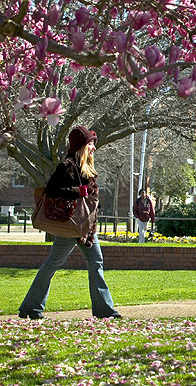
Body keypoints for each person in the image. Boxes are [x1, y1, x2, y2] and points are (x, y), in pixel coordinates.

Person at [19, 126, 122, 320]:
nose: (94, 148)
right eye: (91, 144)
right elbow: (53, 189)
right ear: (82, 145)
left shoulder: (86, 168)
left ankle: (104, 310)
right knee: (53, 264)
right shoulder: (67, 165)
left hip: (86, 228)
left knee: (96, 262)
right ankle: (31, 307)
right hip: (69, 226)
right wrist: (78, 191)